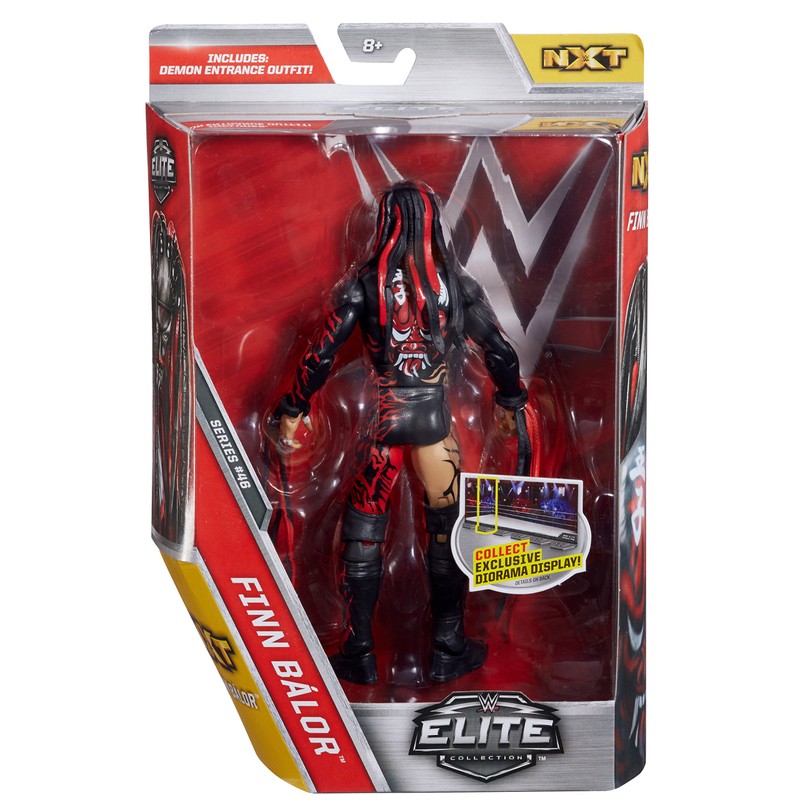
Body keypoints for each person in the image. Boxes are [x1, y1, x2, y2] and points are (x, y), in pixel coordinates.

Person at [274, 184, 528, 684]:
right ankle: (447, 645)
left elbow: (321, 352)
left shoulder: (363, 286)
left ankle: (359, 650)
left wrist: (294, 406)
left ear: (384, 224)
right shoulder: (455, 285)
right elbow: (499, 350)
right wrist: (510, 400)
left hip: (384, 427)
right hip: (435, 428)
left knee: (363, 531)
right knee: (446, 528)